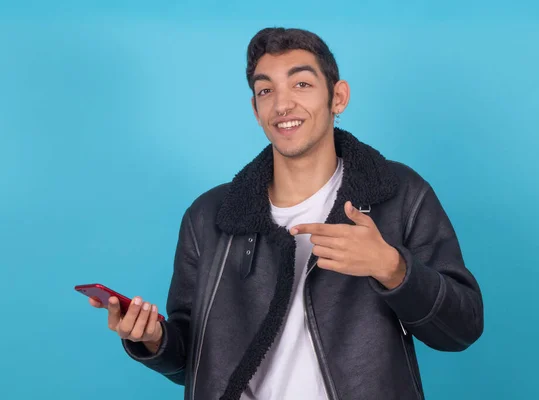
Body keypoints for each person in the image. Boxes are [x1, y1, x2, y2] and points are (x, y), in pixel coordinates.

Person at [89, 27, 484, 400]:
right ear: (255, 108)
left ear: (338, 97)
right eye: (265, 90)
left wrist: (393, 268)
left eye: (302, 84)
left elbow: (461, 329)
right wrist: (152, 339)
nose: (282, 104)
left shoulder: (398, 194)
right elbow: (196, 361)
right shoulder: (208, 216)